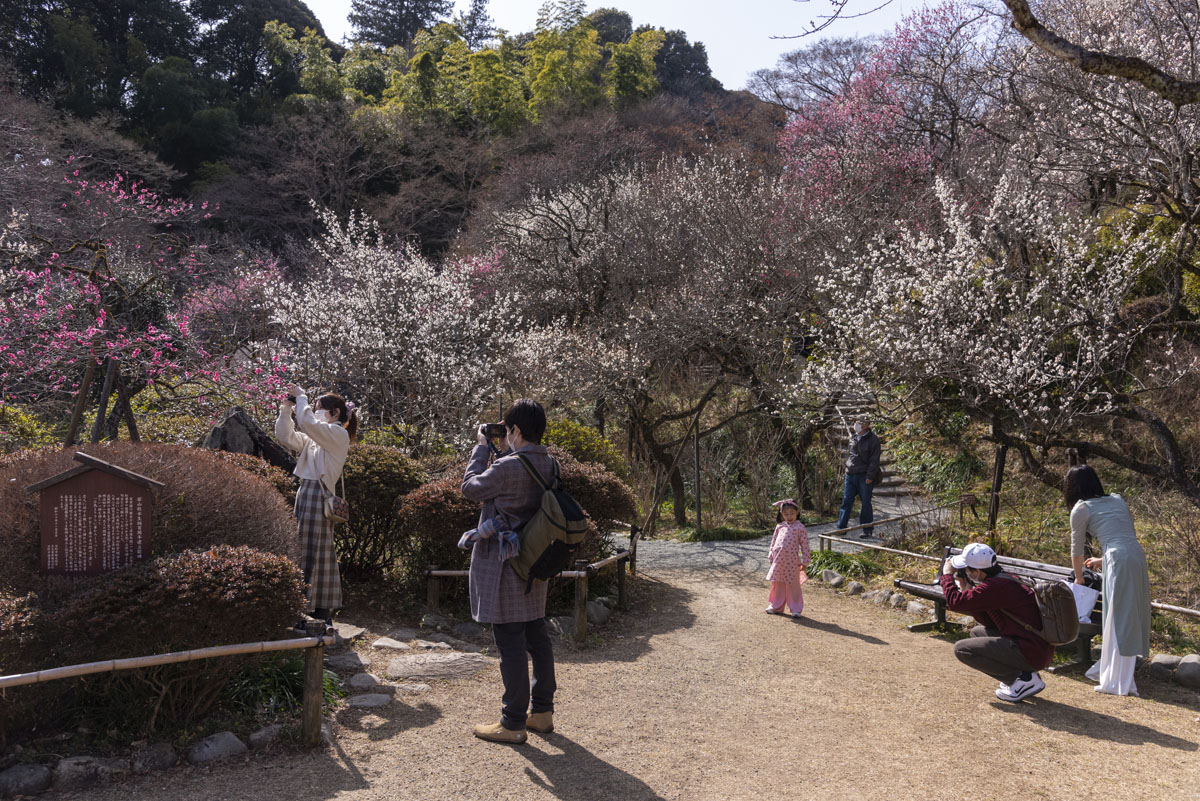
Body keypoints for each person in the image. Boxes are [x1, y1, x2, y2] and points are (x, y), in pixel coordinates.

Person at [461, 399, 557, 745]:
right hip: (534, 559)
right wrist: (503, 451)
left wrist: (480, 448)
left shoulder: (506, 467)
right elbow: (517, 482)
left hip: (505, 563)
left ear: (514, 430)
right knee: (536, 634)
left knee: (510, 641)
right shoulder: (550, 464)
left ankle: (513, 721)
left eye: (507, 429)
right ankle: (542, 712)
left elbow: (470, 488)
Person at [275, 385, 357, 630]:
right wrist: (286, 409)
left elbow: (308, 423)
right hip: (308, 494)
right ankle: (316, 608)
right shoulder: (320, 436)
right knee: (310, 551)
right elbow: (286, 437)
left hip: (318, 496)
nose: (315, 411)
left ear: (334, 412)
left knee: (313, 552)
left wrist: (301, 397)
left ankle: (314, 608)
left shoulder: (337, 435)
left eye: (319, 407)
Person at [1066, 465, 1151, 696]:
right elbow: (1124, 538)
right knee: (1128, 616)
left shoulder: (1081, 508)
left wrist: (1079, 578)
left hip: (1118, 559)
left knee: (1118, 619)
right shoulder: (1117, 500)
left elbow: (1076, 550)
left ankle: (1116, 680)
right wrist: (1103, 560)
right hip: (1135, 557)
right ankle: (1112, 669)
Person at [940, 542, 1054, 702]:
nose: (965, 572)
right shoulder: (1003, 579)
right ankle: (1026, 675)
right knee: (977, 633)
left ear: (978, 572)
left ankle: (1022, 679)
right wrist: (965, 588)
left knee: (962, 649)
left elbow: (955, 602)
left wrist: (946, 576)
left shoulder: (995, 587)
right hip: (1035, 646)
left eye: (967, 569)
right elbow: (991, 623)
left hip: (1032, 651)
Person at [836, 416, 881, 539]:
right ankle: (841, 528)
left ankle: (867, 529)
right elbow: (851, 455)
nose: (856, 425)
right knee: (846, 501)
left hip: (864, 475)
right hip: (851, 474)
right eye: (856, 422)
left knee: (866, 503)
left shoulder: (873, 440)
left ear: (866, 425)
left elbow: (874, 460)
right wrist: (847, 469)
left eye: (860, 423)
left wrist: (870, 476)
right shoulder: (853, 437)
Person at [765, 499, 810, 618]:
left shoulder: (800, 527)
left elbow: (805, 545)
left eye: (792, 513)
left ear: (797, 512)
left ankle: (795, 608)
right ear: (781, 514)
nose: (789, 516)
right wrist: (771, 554)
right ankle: (776, 606)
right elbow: (773, 541)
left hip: (792, 562)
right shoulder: (780, 526)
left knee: (793, 585)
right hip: (778, 560)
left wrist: (806, 561)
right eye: (785, 514)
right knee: (777, 583)